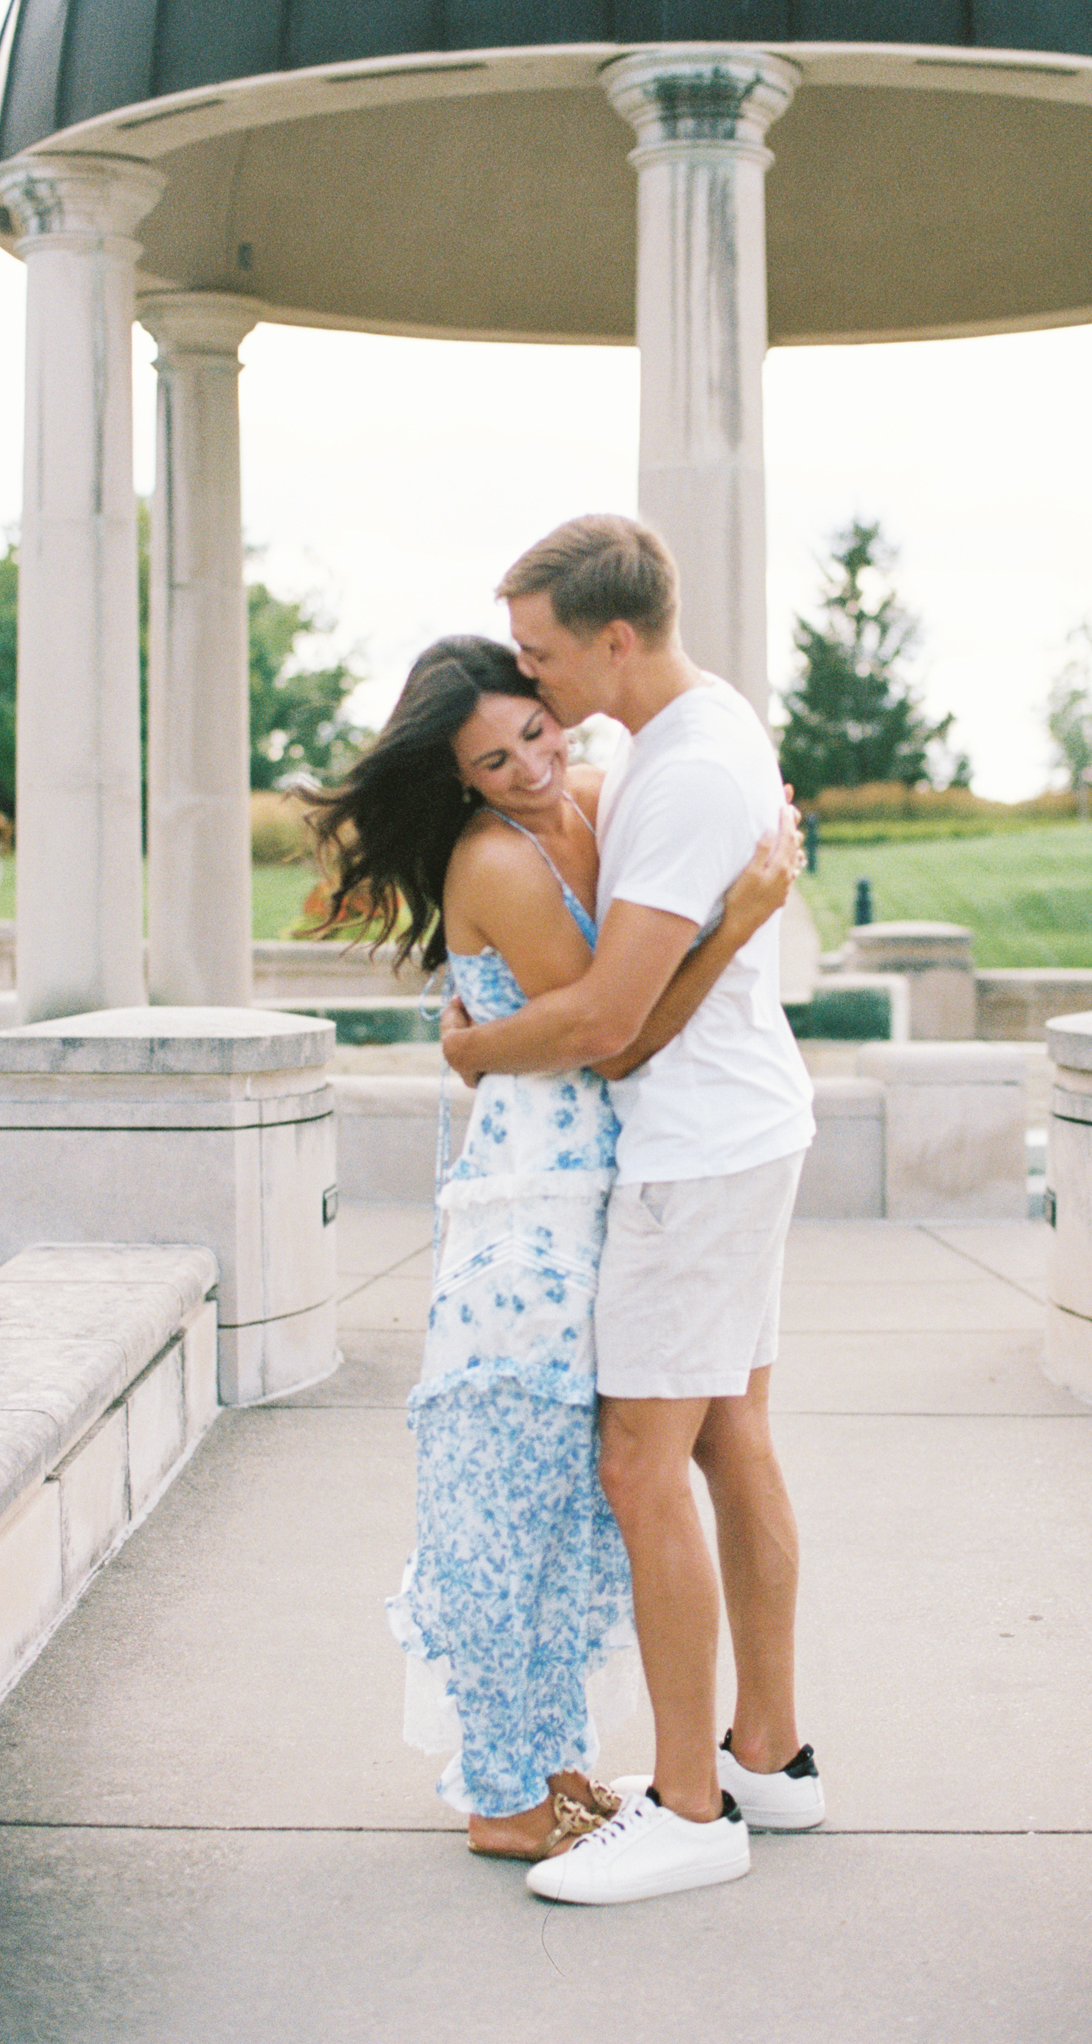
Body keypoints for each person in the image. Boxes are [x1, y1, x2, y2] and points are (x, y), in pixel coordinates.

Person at [309, 634, 799, 1865]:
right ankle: (501, 1794)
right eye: (495, 759)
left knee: (573, 1506)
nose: (534, 764)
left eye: (533, 729)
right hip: (528, 1212)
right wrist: (738, 914)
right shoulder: (501, 856)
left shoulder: (596, 795)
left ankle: (552, 1769)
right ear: (462, 782)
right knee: (506, 1498)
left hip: (599, 1195)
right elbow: (610, 1030)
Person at [440, 515, 822, 1907]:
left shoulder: (679, 773)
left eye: (542, 654)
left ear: (614, 638)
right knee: (729, 1438)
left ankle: (687, 1807)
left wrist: (477, 1048)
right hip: (741, 1128)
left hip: (694, 1153)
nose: (532, 688)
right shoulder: (690, 738)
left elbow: (608, 1025)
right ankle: (769, 1757)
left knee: (638, 1467)